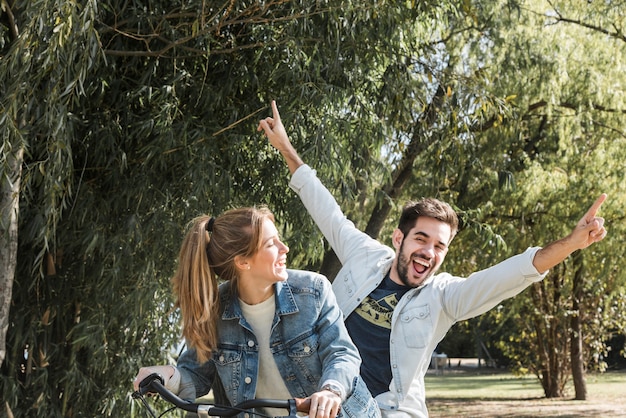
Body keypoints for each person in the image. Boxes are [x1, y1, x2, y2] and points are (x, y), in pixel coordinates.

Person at [257, 100, 608, 417]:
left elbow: (513, 273)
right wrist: (286, 149)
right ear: (399, 238)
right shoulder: (365, 256)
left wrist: (572, 243)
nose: (429, 251)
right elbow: (327, 210)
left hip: (388, 411)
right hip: (330, 402)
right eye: (421, 239)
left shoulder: (444, 297)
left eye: (439, 246)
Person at [133, 207, 380, 418]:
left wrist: (330, 391)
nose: (285, 248)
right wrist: (165, 374)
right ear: (243, 262)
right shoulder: (214, 311)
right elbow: (196, 375)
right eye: (271, 243)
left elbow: (341, 353)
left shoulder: (312, 291)